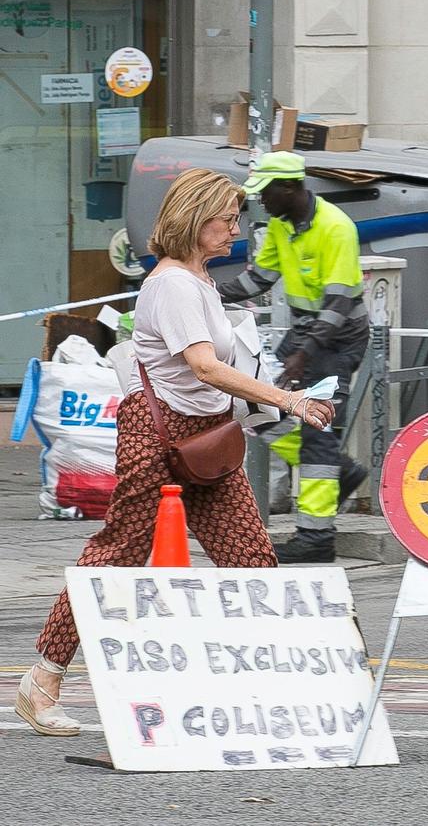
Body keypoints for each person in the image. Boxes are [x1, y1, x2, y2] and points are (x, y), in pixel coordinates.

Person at [16, 170, 333, 737]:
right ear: (193, 218)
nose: (237, 230)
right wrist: (289, 400)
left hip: (207, 435)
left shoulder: (200, 280)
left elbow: (213, 373)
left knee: (251, 559)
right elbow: (205, 367)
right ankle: (42, 681)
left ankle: (277, 691)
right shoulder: (174, 285)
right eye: (226, 219)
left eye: (238, 219)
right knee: (117, 557)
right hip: (157, 434)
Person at [216, 151, 371, 564]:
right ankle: (343, 471)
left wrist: (304, 353)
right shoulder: (281, 227)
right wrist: (203, 289)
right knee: (258, 410)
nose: (260, 203)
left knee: (316, 433)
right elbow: (258, 279)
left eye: (264, 194)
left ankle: (316, 538)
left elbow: (340, 302)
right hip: (306, 336)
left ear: (289, 187)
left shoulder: (336, 228)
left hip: (337, 339)